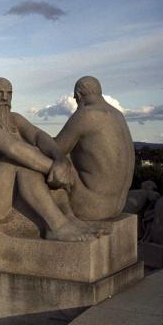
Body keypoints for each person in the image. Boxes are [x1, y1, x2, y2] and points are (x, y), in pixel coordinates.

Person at [0, 77, 93, 241]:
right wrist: (54, 169)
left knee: (40, 155)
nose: (5, 98)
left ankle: (68, 219)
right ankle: (57, 226)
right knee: (21, 160)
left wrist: (60, 159)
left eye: (9, 93)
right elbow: (13, 149)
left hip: (2, 195)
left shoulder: (14, 119)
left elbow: (38, 136)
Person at [54, 76, 135, 220]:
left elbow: (55, 149)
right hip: (117, 206)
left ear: (79, 95)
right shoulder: (118, 115)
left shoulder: (85, 114)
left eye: (75, 98)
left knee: (48, 161)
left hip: (91, 207)